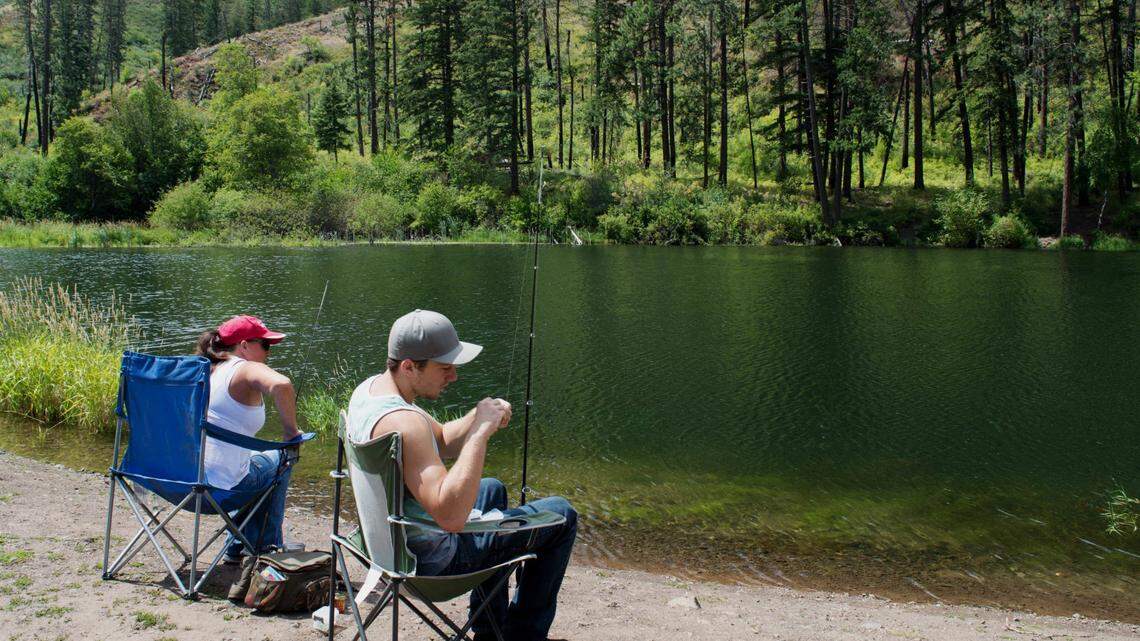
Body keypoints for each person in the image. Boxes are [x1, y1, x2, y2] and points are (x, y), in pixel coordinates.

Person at [347, 309, 577, 641]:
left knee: (492, 489)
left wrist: (480, 415)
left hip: (388, 548)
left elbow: (441, 440)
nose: (453, 376)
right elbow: (452, 517)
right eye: (445, 368)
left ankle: (489, 630)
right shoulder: (406, 423)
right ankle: (522, 636)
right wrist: (479, 433)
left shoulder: (370, 393)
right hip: (431, 564)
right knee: (562, 515)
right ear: (409, 366)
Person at [195, 314, 304, 561]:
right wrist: (291, 433)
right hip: (218, 490)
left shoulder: (204, 369)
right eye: (265, 345)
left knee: (252, 459)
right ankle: (264, 549)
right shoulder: (243, 367)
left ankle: (238, 544)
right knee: (283, 457)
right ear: (243, 345)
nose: (268, 353)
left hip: (179, 482)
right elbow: (282, 385)